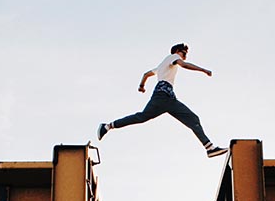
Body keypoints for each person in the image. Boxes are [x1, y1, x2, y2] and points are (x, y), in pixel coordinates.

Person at [97, 43, 227, 158]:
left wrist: (141, 86)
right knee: (143, 117)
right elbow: (184, 65)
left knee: (192, 119)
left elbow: (146, 74)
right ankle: (108, 126)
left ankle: (209, 149)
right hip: (163, 96)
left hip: (168, 98)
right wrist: (203, 70)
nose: (185, 55)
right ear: (177, 51)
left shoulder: (161, 65)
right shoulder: (173, 57)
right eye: (184, 52)